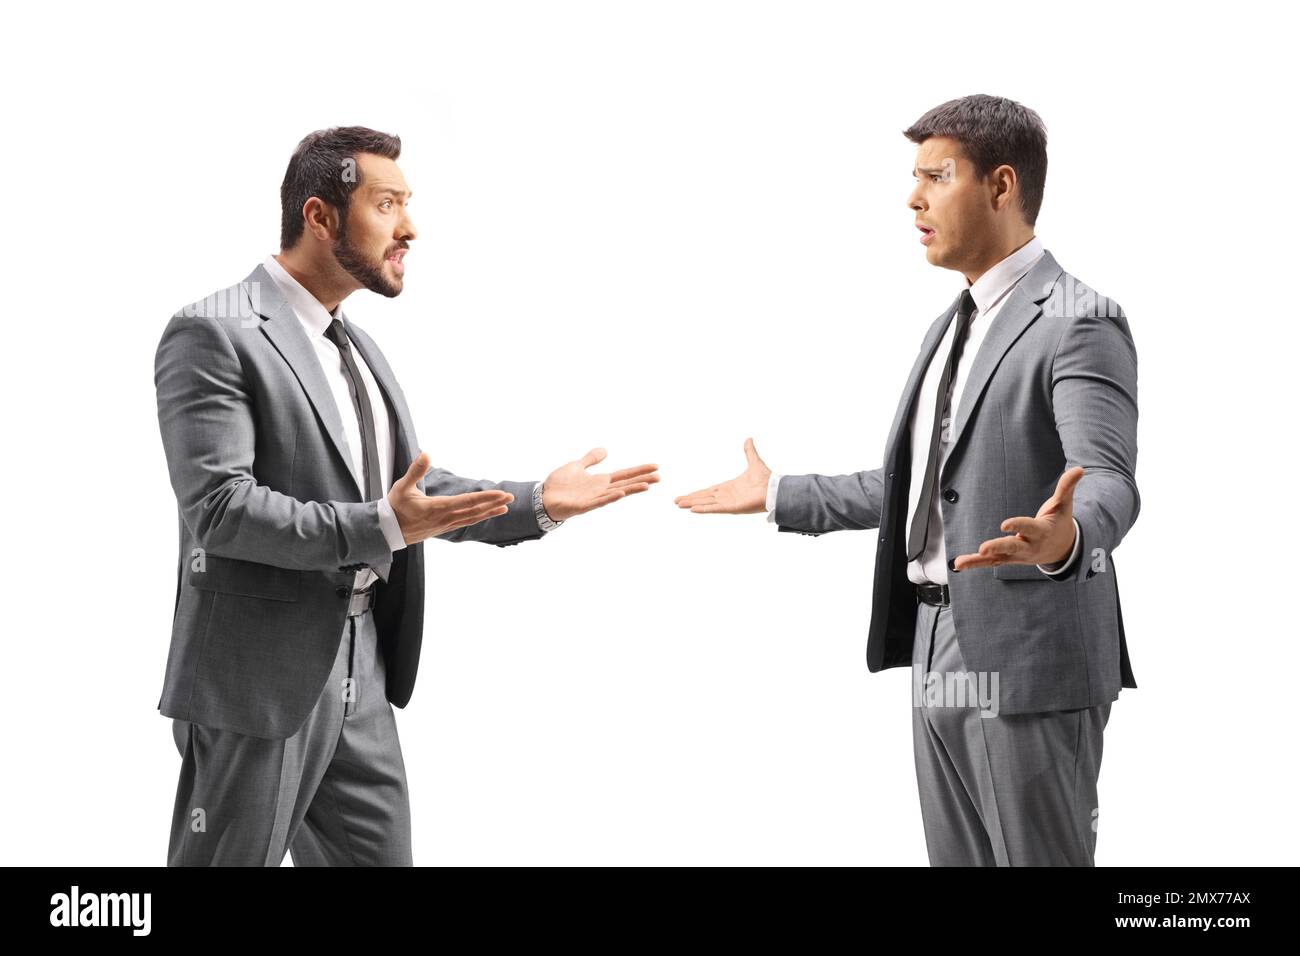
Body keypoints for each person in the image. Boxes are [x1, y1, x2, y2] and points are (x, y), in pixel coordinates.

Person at [155, 126, 659, 866]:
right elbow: (222, 510)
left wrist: (535, 500)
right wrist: (382, 525)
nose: (410, 228)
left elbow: (403, 491)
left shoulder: (352, 345)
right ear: (320, 216)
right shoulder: (214, 331)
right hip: (258, 681)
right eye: (388, 204)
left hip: (364, 668)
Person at [674, 94, 1138, 866]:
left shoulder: (1078, 318)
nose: (912, 197)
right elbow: (925, 490)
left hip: (1028, 649)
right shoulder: (955, 323)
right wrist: (779, 493)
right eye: (913, 177)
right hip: (936, 639)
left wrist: (1069, 536)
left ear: (1000, 186)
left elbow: (1111, 477)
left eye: (935, 176)